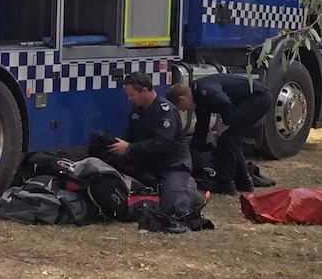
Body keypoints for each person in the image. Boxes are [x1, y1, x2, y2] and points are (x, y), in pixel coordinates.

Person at [104, 71, 193, 221]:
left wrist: (129, 148)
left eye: (132, 95)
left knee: (169, 210)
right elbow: (131, 134)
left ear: (144, 91)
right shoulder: (136, 111)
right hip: (148, 162)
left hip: (172, 165)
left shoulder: (166, 111)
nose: (129, 98)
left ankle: (187, 191)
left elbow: (161, 144)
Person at [166, 74, 272, 195]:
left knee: (228, 139)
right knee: (232, 140)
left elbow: (225, 103)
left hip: (258, 97)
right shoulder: (198, 99)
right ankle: (244, 182)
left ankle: (225, 184)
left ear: (182, 99)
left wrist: (224, 124)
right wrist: (191, 156)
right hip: (251, 99)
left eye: (181, 108)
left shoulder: (204, 90)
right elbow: (202, 129)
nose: (184, 111)